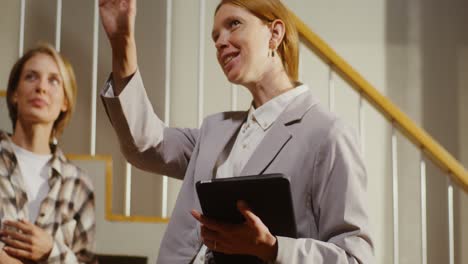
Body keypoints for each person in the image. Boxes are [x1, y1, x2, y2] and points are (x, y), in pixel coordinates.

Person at [99, 0, 374, 263]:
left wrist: (274, 249)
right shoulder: (214, 131)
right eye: (215, 36)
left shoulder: (328, 135)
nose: (220, 41)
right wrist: (122, 43)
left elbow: (355, 257)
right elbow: (146, 144)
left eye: (234, 24)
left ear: (274, 33)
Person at [0, 44, 96, 263]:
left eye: (54, 80)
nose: (41, 87)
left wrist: (50, 250)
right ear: (15, 94)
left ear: (65, 101)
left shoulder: (79, 184)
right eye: (31, 77)